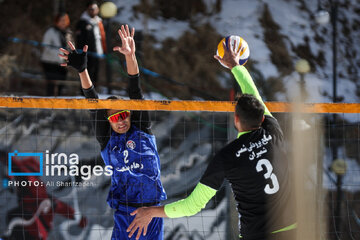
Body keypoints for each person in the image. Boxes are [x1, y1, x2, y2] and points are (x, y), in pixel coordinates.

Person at [126, 39, 296, 240]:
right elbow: (255, 95)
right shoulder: (272, 131)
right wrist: (236, 67)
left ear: (236, 119)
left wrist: (151, 212)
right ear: (262, 117)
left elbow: (192, 206)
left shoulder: (227, 156)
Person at [59, 25, 166, 240]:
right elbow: (92, 101)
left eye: (124, 114)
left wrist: (131, 55)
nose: (122, 121)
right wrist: (82, 71)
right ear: (108, 121)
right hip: (125, 212)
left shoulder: (141, 129)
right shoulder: (107, 139)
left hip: (152, 210)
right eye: (115, 118)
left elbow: (135, 89)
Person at [75, 0, 106, 84]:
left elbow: (101, 38)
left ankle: (94, 95)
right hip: (87, 55)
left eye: (94, 8)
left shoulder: (99, 22)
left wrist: (103, 51)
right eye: (90, 9)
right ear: (87, 10)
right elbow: (79, 40)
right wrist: (81, 54)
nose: (92, 10)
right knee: (87, 76)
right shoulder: (82, 23)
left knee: (95, 76)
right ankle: (84, 95)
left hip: (97, 54)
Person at [41, 12, 72, 96]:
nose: (63, 22)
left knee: (61, 84)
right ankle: (49, 104)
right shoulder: (50, 31)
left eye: (64, 20)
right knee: (51, 85)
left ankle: (59, 104)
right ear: (56, 21)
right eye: (61, 20)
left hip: (63, 63)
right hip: (50, 62)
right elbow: (45, 46)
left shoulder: (68, 33)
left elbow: (71, 46)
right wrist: (59, 53)